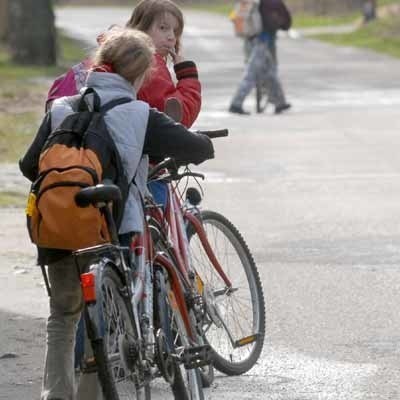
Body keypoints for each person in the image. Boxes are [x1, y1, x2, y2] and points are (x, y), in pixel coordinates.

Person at [19, 28, 214, 400]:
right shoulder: (139, 113)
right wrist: (205, 144)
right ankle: (93, 394)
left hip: (57, 225)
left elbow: (31, 166)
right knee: (104, 322)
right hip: (111, 228)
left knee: (63, 316)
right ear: (140, 75)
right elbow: (190, 146)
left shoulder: (61, 108)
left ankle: (56, 395)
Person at [46, 0, 201, 129]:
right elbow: (180, 120)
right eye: (163, 28)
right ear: (141, 29)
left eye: (176, 31)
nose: (171, 37)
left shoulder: (106, 56)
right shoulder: (148, 64)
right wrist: (186, 74)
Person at [229, 0, 291, 115]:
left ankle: (280, 103)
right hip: (261, 41)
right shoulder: (270, 3)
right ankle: (236, 104)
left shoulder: (253, 2)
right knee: (251, 73)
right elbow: (283, 22)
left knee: (270, 72)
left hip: (251, 40)